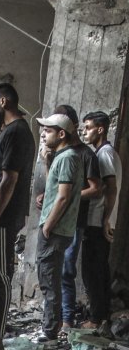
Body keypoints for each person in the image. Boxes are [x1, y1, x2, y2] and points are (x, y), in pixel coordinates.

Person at [0, 83, 35, 350]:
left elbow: (9, 180)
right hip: (2, 214)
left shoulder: (16, 132)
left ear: (2, 102)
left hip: (2, 216)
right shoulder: (14, 132)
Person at [51, 105, 101, 330]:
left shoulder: (86, 154)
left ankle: (67, 320)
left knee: (66, 270)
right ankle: (54, 318)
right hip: (59, 218)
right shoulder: (61, 152)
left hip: (76, 221)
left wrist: (69, 197)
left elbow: (96, 188)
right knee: (53, 269)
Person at [36, 114, 83, 343]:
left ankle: (49, 332)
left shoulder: (67, 158)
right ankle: (50, 328)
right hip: (58, 229)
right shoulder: (64, 156)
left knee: (49, 279)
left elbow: (63, 197)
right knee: (49, 278)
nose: (43, 134)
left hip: (55, 230)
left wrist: (48, 225)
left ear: (61, 134)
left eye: (48, 130)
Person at [80, 111, 122, 329]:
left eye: (88, 127)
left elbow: (111, 188)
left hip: (98, 222)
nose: (84, 132)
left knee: (92, 270)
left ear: (100, 129)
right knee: (100, 270)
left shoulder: (104, 154)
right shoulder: (108, 153)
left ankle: (95, 319)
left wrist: (105, 220)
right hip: (100, 221)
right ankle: (102, 316)